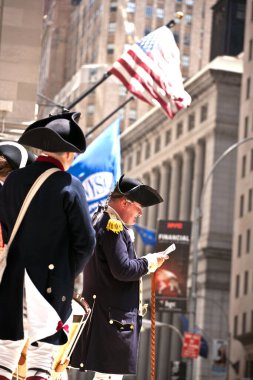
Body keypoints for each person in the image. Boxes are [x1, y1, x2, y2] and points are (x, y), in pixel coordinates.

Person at [0, 112, 96, 380]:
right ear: (67, 153)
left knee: (4, 355)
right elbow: (86, 242)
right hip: (51, 283)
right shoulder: (70, 185)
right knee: (41, 360)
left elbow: (7, 229)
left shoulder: (14, 181)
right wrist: (67, 271)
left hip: (11, 277)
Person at [71, 174, 168, 380]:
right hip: (111, 317)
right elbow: (122, 269)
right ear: (125, 202)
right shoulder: (112, 226)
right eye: (138, 207)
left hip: (109, 314)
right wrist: (150, 262)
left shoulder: (104, 220)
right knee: (108, 377)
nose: (140, 213)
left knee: (105, 377)